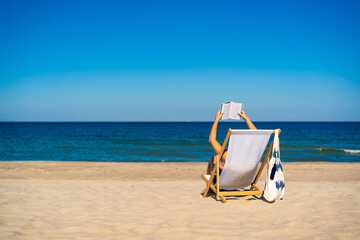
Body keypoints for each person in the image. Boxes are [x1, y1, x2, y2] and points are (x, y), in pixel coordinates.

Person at [206, 109, 257, 175]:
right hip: (245, 179)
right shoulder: (251, 155)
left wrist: (216, 120)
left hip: (226, 181)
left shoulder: (228, 157)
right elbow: (257, 135)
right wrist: (246, 118)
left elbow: (212, 140)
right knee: (223, 164)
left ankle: (210, 185)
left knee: (214, 158)